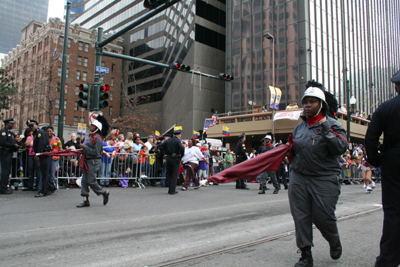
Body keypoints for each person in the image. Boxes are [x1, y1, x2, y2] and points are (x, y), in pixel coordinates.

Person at [289, 80, 348, 267]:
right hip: (299, 177)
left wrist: (326, 131)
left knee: (323, 217)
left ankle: (334, 240)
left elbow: (341, 148)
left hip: (325, 178)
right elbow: (294, 149)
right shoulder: (299, 128)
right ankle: (305, 255)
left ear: (321, 104)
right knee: (301, 216)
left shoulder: (333, 124)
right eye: (305, 101)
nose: (307, 105)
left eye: (312, 102)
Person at [365, 70, 400, 267]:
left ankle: (388, 259)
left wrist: (377, 160)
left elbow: (371, 137)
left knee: (394, 211)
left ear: (396, 86)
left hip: (394, 159)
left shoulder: (385, 108)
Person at [77, 115, 110, 207]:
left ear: (97, 128)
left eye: (92, 126)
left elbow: (95, 152)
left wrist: (83, 147)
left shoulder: (98, 138)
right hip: (88, 160)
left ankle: (103, 192)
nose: (90, 127)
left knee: (91, 181)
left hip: (93, 161)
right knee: (84, 181)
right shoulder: (91, 137)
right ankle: (85, 199)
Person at [27, 120, 56, 197]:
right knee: (45, 173)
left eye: (32, 125)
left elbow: (41, 146)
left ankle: (44, 191)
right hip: (43, 155)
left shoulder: (40, 133)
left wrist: (37, 155)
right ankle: (51, 187)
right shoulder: (37, 133)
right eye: (30, 126)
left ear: (37, 125)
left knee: (44, 174)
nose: (31, 127)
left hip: (44, 155)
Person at [159, 127, 184, 195]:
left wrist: (164, 154)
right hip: (175, 158)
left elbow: (161, 147)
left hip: (168, 158)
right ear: (179, 135)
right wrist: (181, 155)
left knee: (169, 174)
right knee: (174, 175)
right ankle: (172, 190)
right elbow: (182, 148)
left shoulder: (168, 140)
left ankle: (170, 189)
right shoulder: (178, 141)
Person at [0, 118, 20, 194]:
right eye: (12, 124)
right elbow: (3, 142)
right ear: (7, 123)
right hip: (5, 153)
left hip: (9, 153)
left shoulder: (9, 132)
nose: (13, 125)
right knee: (5, 171)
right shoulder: (3, 132)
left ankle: (4, 186)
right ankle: (3, 188)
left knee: (7, 171)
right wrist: (13, 145)